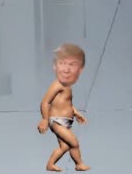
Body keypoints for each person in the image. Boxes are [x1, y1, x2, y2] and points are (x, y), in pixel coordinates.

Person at [37, 43, 90, 172]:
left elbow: (67, 104)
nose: (66, 69)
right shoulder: (57, 85)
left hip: (65, 122)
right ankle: (79, 164)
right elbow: (45, 102)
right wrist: (44, 119)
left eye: (72, 65)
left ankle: (50, 164)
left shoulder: (67, 86)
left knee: (65, 146)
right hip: (57, 121)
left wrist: (76, 113)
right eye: (62, 63)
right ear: (55, 66)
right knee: (74, 143)